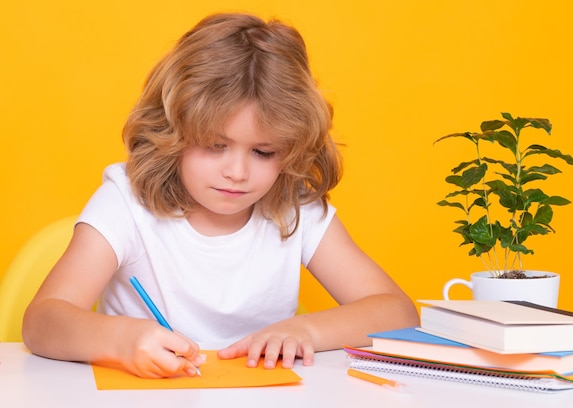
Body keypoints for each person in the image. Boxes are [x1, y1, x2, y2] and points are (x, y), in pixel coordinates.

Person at [22, 12, 419, 379]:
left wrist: (305, 329)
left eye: (264, 152)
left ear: (292, 148)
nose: (237, 172)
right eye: (214, 145)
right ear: (172, 132)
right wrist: (122, 341)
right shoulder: (126, 202)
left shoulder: (292, 205)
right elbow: (41, 322)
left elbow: (397, 312)